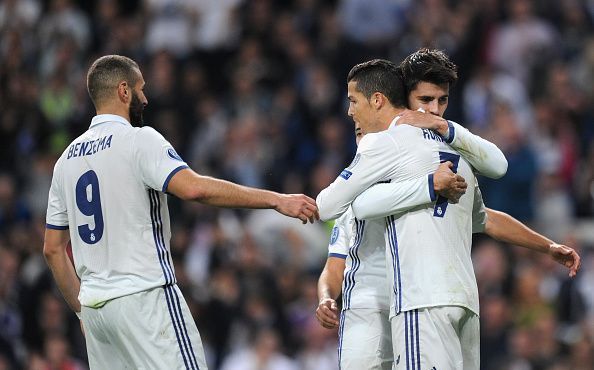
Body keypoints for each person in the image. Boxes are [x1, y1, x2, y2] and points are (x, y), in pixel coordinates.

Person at [43, 55, 319, 370]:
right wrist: (275, 200)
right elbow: (194, 188)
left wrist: (82, 310)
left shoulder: (65, 161)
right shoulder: (138, 140)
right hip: (144, 298)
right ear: (123, 91)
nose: (145, 98)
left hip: (96, 311)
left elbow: (52, 249)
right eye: (140, 88)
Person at [316, 57, 509, 369]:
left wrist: (442, 130)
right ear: (405, 97)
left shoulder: (417, 142)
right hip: (446, 299)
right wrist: (429, 185)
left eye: (442, 101)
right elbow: (489, 199)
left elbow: (335, 206)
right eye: (425, 100)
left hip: (418, 299)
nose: (433, 110)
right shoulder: (449, 150)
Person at [316, 127, 467, 370]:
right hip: (365, 308)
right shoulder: (345, 201)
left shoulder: (417, 182)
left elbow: (485, 218)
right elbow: (334, 266)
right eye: (358, 134)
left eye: (370, 134)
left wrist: (544, 245)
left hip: (415, 306)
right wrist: (325, 298)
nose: (363, 141)